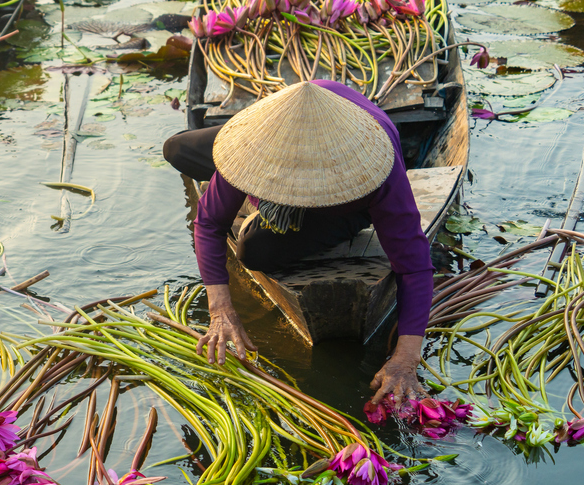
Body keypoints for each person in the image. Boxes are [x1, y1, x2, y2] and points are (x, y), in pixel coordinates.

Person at [162, 80, 432, 406]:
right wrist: (221, 309)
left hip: (345, 192)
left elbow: (414, 267)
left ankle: (274, 207)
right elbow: (208, 222)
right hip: (292, 120)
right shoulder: (254, 146)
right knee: (177, 148)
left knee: (254, 249)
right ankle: (256, 200)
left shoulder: (375, 167)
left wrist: (405, 358)